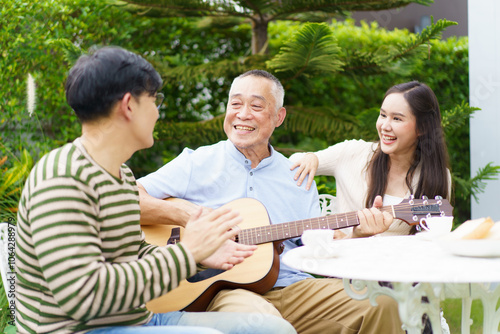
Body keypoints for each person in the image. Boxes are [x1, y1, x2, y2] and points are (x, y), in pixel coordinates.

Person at [15, 47, 297, 334]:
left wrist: (200, 258)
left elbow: (133, 253)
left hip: (138, 319)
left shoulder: (120, 175)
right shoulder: (62, 178)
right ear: (129, 106)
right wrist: (187, 253)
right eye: (154, 100)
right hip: (80, 329)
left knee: (272, 329)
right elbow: (83, 296)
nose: (158, 112)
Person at [137, 69, 405, 333]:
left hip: (295, 287)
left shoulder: (297, 176)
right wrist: (189, 216)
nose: (242, 114)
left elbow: (318, 250)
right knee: (269, 327)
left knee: (382, 302)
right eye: (236, 104)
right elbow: (128, 197)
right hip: (231, 290)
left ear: (279, 116)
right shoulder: (196, 162)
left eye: (255, 105)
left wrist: (356, 235)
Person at [290, 81, 451, 238]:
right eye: (383, 115)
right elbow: (291, 165)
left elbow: (430, 246)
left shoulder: (434, 177)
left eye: (397, 119)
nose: (384, 126)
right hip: (339, 260)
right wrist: (312, 157)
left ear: (422, 128)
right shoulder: (352, 152)